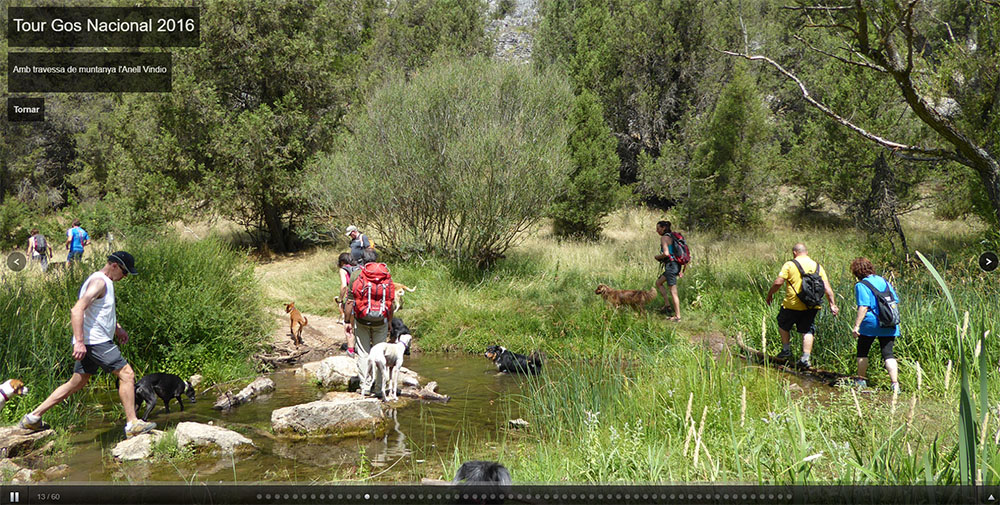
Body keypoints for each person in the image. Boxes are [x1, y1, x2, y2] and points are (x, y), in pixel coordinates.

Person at [18, 251, 156, 438]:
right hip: (96, 341)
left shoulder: (104, 282)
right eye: (124, 273)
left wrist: (118, 329)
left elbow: (98, 313)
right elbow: (77, 309)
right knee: (126, 374)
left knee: (77, 382)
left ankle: (33, 417)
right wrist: (79, 342)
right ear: (114, 266)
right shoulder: (99, 282)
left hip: (94, 341)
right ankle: (132, 423)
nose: (124, 277)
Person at [764, 243, 839, 368]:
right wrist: (832, 304)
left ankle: (786, 351)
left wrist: (770, 295)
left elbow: (778, 282)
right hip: (812, 305)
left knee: (783, 324)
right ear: (806, 252)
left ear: (794, 252)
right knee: (808, 330)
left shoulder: (790, 264)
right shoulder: (817, 266)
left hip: (792, 305)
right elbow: (827, 288)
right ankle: (805, 358)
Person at [344, 250, 395, 398]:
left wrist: (347, 321)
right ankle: (379, 389)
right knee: (380, 355)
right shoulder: (386, 275)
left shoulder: (356, 275)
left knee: (364, 353)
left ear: (362, 260)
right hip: (381, 321)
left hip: (361, 320)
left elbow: (349, 301)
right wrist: (390, 321)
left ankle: (365, 387)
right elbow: (390, 303)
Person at [850, 257, 901, 392]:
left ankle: (861, 381)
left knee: (862, 351)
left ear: (856, 272)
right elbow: (895, 301)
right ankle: (895, 384)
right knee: (888, 354)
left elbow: (863, 306)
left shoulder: (861, 285)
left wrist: (857, 326)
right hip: (889, 322)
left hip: (871, 324)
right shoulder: (884, 281)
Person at [653, 221, 686, 321]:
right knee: (658, 283)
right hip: (675, 265)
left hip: (671, 266)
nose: (657, 230)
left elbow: (666, 253)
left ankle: (678, 316)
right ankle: (667, 306)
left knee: (673, 291)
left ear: (663, 228)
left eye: (658, 228)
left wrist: (657, 257)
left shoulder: (664, 238)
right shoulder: (673, 236)